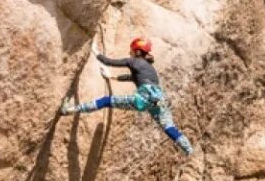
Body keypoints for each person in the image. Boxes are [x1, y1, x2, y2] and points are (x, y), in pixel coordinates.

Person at [61, 37, 194, 156]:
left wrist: (95, 50)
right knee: (168, 127)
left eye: (131, 50)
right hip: (160, 101)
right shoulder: (149, 68)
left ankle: (69, 109)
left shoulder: (133, 61)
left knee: (106, 101)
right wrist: (110, 76)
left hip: (144, 98)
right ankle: (187, 148)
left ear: (137, 51)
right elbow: (132, 77)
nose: (129, 53)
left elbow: (109, 62)